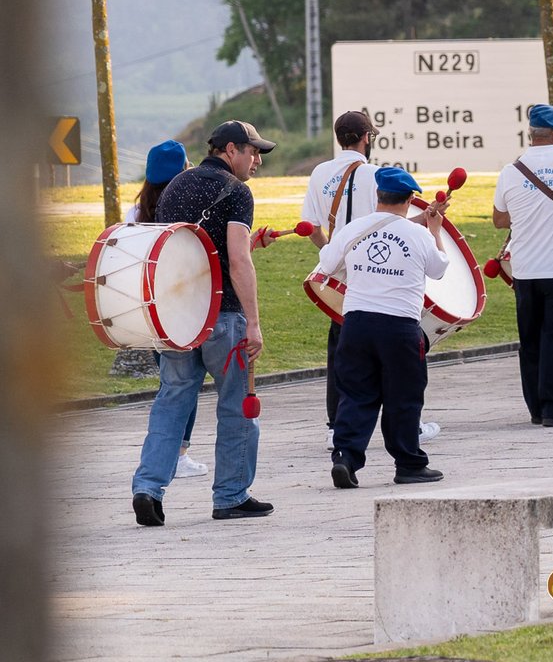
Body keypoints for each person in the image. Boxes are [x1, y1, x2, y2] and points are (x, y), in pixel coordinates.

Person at [131, 121, 276, 525]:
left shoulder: (176, 186)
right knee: (236, 406)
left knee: (171, 402)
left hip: (178, 316)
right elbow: (236, 259)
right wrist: (253, 322)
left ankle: (148, 488)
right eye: (253, 151)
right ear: (231, 150)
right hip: (223, 316)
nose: (257, 160)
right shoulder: (238, 192)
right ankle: (230, 495)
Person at [303, 110, 442, 450]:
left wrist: (335, 259)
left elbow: (310, 227)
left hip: (340, 265)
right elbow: (396, 224)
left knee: (343, 346)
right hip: (378, 267)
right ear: (366, 138)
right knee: (396, 352)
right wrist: (431, 218)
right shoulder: (376, 175)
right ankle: (408, 428)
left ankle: (337, 425)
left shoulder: (320, 172)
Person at [318, 167, 451, 488]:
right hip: (400, 325)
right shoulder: (418, 234)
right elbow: (440, 269)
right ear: (409, 200)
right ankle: (408, 464)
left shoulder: (354, 229)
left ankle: (346, 458)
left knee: (355, 394)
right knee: (403, 395)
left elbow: (326, 262)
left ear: (378, 196)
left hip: (357, 322)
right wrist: (435, 230)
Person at [492, 104, 553, 427]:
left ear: (531, 135)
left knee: (531, 340)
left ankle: (536, 408)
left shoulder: (511, 171)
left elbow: (499, 220)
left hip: (526, 270)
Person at [125, 140, 207, 479]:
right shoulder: (185, 206)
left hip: (150, 306)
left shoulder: (136, 211)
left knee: (170, 382)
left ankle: (169, 453)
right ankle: (178, 453)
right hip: (185, 306)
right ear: (184, 170)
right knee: (184, 382)